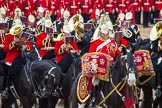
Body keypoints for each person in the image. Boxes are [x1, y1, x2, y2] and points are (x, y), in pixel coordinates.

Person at [86, 23, 121, 106]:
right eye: (103, 33)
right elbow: (91, 56)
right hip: (100, 66)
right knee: (95, 80)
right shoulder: (95, 43)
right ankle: (93, 98)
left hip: (113, 65)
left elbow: (118, 54)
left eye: (106, 33)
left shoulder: (112, 42)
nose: (105, 35)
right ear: (100, 33)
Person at [0, 24, 33, 98]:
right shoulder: (9, 36)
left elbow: (30, 46)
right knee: (8, 73)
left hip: (21, 58)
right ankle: (5, 89)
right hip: (11, 58)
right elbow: (6, 49)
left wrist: (25, 46)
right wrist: (14, 42)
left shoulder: (23, 36)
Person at [150, 21, 162, 95]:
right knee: (160, 65)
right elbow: (153, 48)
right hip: (158, 55)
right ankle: (158, 86)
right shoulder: (156, 39)